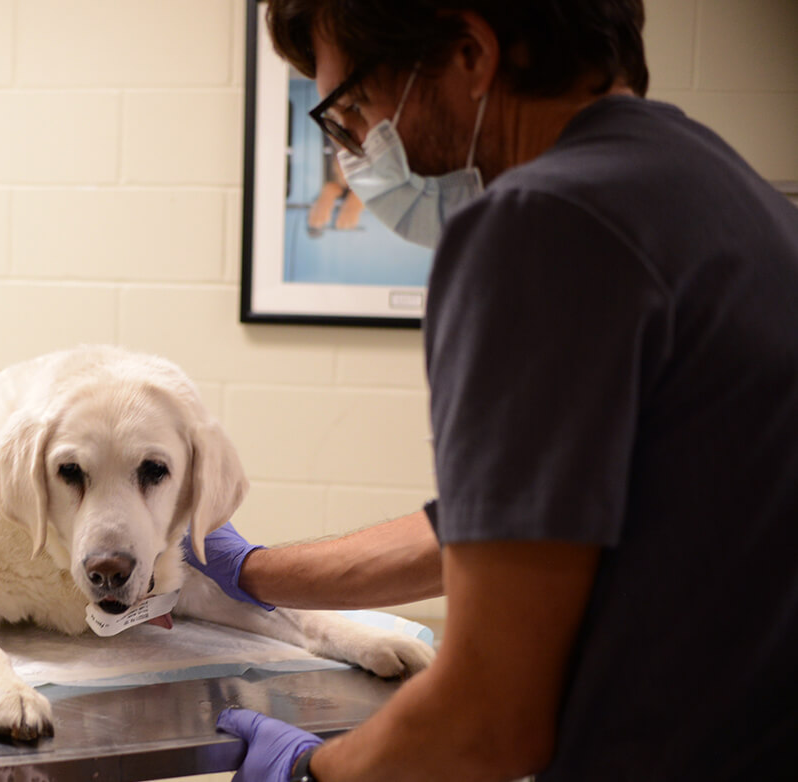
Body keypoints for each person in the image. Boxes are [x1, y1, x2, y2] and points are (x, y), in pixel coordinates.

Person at [194, 1, 798, 779]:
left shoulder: (536, 224)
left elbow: (488, 718)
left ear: (470, 54)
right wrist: (252, 572)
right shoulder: (721, 189)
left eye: (356, 110)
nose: (356, 152)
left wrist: (312, 774)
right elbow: (506, 530)